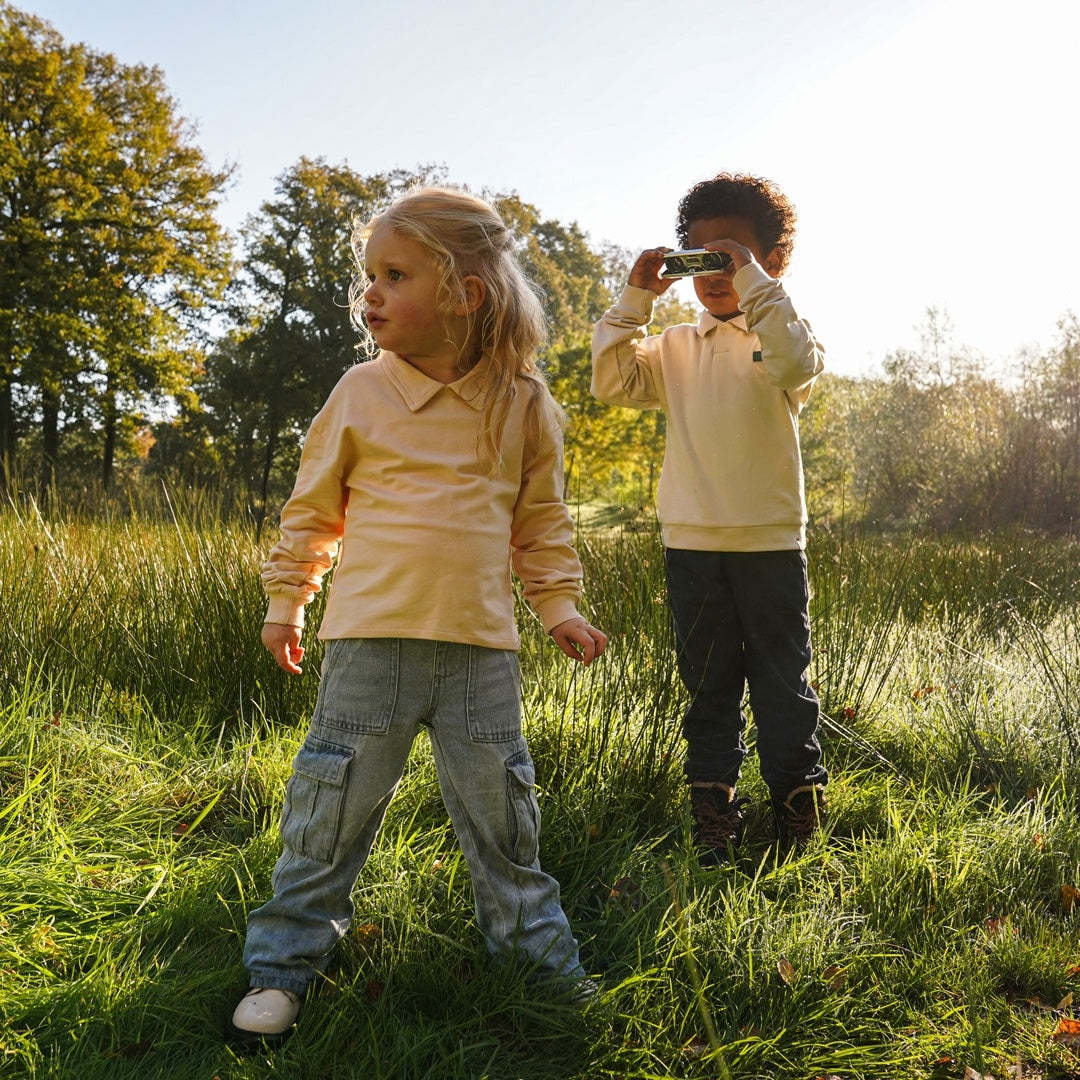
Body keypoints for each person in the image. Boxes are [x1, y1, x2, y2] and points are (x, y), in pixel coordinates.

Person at [228, 186, 608, 1047]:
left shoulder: (523, 403)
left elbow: (539, 525)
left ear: (464, 293)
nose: (370, 293)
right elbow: (313, 508)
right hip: (368, 647)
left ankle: (539, 966)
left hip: (480, 655)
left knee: (505, 822)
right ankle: (281, 968)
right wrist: (288, 600)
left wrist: (560, 608)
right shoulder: (361, 392)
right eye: (369, 274)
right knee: (328, 815)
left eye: (394, 275)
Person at [591, 172, 827, 866]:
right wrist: (637, 296)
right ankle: (714, 816)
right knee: (710, 688)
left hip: (771, 543)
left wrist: (754, 284)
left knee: (785, 683)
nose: (715, 272)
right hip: (691, 544)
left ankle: (797, 808)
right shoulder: (671, 348)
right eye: (701, 256)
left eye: (732, 256)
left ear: (771, 262)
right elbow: (609, 380)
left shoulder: (786, 333)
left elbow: (794, 360)